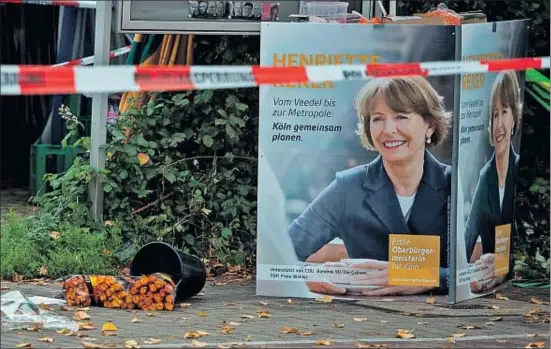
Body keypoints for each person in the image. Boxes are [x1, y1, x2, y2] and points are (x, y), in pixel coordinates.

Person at [288, 76, 452, 297]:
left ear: (430, 126)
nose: (388, 129)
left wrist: (427, 277)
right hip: (357, 317)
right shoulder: (346, 188)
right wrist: (306, 276)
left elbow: (479, 274)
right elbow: (280, 256)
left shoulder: (453, 184)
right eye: (377, 119)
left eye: (401, 117)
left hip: (443, 321)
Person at [464, 70, 522, 293]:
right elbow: (469, 235)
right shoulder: (485, 177)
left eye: (504, 112)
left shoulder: (520, 171)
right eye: (495, 114)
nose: (499, 124)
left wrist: (503, 262)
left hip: (516, 287)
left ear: (514, 118)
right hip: (488, 287)